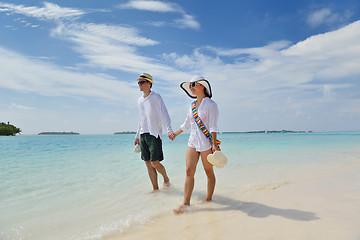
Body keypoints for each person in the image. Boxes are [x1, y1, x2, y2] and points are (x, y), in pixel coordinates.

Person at [173, 75, 219, 214]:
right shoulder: (192, 106)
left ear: (202, 86)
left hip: (206, 143)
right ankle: (186, 204)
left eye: (194, 84)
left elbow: (213, 126)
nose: (192, 87)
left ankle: (209, 199)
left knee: (208, 172)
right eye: (190, 85)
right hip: (192, 142)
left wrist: (214, 144)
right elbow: (187, 124)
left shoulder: (211, 104)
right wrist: (175, 133)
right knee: (188, 171)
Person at [134, 73, 175, 192]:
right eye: (138, 83)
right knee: (147, 163)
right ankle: (155, 189)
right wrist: (137, 135)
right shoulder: (139, 100)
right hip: (143, 134)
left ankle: (166, 179)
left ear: (149, 83)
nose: (139, 85)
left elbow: (164, 113)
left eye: (141, 82)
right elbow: (141, 119)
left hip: (154, 134)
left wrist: (169, 130)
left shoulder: (156, 97)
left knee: (155, 163)